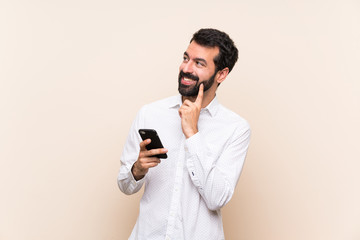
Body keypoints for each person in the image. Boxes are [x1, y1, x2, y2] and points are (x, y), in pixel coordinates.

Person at [117, 28, 251, 240]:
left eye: (199, 63)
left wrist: (193, 134)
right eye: (185, 58)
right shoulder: (150, 114)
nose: (186, 68)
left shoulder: (235, 128)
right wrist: (137, 169)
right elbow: (125, 184)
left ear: (221, 74)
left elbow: (217, 198)